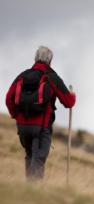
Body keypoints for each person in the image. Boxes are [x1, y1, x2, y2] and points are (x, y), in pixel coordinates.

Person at [6, 46, 76, 181]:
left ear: (35, 58)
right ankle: (34, 192)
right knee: (38, 159)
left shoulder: (22, 75)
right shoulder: (52, 77)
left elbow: (9, 98)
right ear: (50, 60)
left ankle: (29, 190)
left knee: (30, 155)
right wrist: (72, 95)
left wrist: (16, 116)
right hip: (41, 127)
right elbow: (68, 102)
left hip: (23, 127)